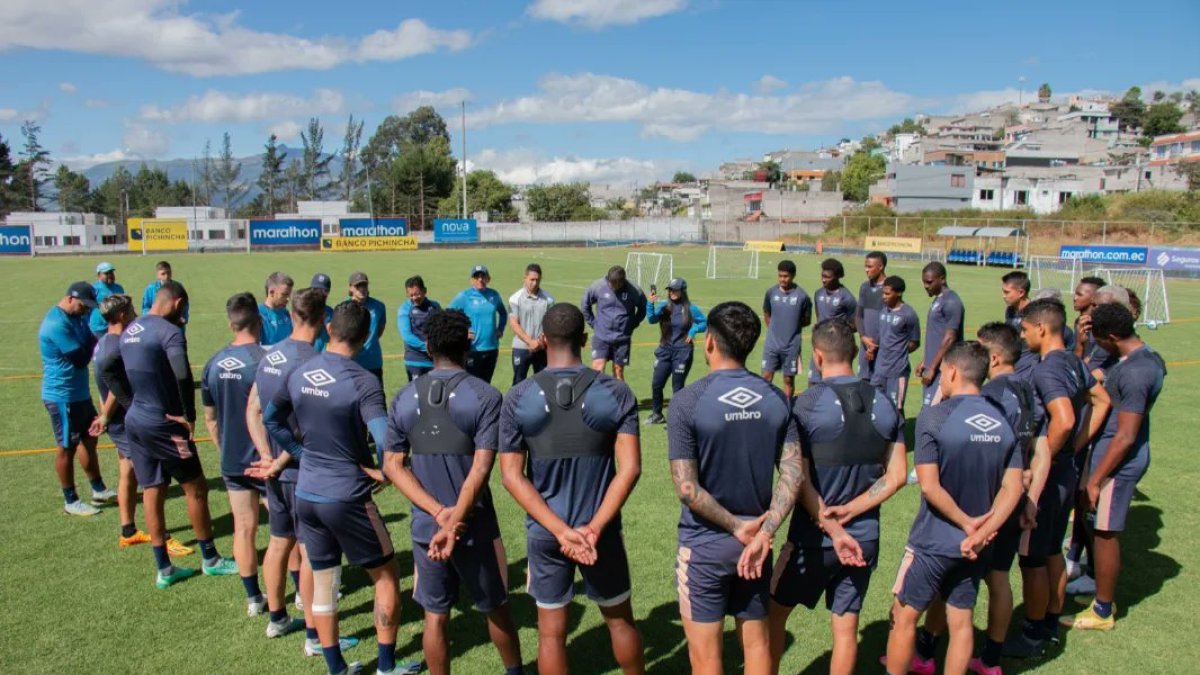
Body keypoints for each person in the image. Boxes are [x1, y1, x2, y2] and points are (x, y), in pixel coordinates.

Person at [262, 302, 421, 675]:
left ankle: (336, 667)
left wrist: (301, 453)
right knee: (386, 576)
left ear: (329, 328)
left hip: (307, 492)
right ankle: (385, 666)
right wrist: (385, 472)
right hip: (346, 495)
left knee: (324, 580)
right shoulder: (363, 381)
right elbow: (384, 440)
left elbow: (271, 418)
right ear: (366, 338)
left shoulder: (300, 371)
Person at [500, 303, 645, 675]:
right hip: (602, 534)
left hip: (547, 535)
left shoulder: (518, 396)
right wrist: (593, 529)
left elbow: (512, 477)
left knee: (551, 636)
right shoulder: (616, 392)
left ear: (544, 340)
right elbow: (629, 469)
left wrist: (561, 531)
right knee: (620, 621)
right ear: (585, 339)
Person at [383, 309, 525, 675]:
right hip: (474, 524)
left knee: (436, 615)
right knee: (496, 606)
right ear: (468, 343)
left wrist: (438, 515)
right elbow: (481, 467)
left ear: (427, 346)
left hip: (427, 527)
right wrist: (456, 517)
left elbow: (393, 466)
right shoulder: (486, 396)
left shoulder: (403, 397)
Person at [668, 300, 805, 675]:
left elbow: (686, 487)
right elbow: (793, 475)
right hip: (758, 547)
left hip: (705, 546)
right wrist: (764, 531)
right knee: (757, 645)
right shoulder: (777, 399)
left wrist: (734, 526)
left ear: (709, 341)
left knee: (707, 658)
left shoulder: (687, 401)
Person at [769, 318, 906, 675]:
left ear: (816, 356)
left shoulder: (804, 404)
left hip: (812, 540)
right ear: (855, 351)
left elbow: (793, 476)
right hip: (864, 539)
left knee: (772, 615)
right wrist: (854, 509)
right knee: (846, 630)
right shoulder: (887, 403)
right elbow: (897, 476)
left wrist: (830, 522)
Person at [884, 343, 1023, 675]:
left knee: (903, 618)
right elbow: (1014, 486)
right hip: (975, 549)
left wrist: (967, 523)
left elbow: (930, 485)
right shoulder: (1003, 420)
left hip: (932, 542)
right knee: (961, 622)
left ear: (952, 372)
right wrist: (983, 532)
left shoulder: (936, 416)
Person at [916, 323, 1040, 675]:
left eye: (980, 350)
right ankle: (990, 659)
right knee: (998, 577)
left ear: (993, 358)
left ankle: (926, 652)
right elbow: (1035, 446)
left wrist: (978, 526)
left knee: (954, 583)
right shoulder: (1026, 388)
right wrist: (1030, 493)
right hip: (1008, 502)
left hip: (982, 505)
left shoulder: (992, 395)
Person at [101, 281, 239, 588]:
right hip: (164, 422)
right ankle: (211, 559)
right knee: (196, 488)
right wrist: (188, 416)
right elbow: (181, 372)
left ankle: (164, 568)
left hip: (136, 421)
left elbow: (105, 366)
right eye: (184, 308)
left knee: (153, 488)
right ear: (177, 303)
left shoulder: (130, 330)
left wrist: (128, 402)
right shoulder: (169, 332)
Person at [246, 288, 358, 651]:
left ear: (292, 315)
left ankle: (277, 618)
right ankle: (314, 635)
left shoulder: (268, 355)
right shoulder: (315, 361)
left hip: (275, 471)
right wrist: (283, 459)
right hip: (302, 471)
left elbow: (256, 410)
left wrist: (266, 456)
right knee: (312, 555)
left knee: (278, 543)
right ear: (325, 321)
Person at [1004, 298, 1108, 659]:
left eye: (1026, 328)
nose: (1022, 334)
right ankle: (1049, 621)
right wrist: (1075, 449)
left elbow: (1062, 419)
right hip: (1067, 470)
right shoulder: (1076, 362)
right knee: (1051, 550)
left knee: (1031, 555)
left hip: (1049, 476)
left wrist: (1044, 456)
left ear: (1042, 329)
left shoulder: (1048, 368)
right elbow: (1102, 400)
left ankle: (1033, 635)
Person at [1061, 303, 1165, 632]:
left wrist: (1097, 479)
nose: (1098, 345)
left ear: (1113, 336)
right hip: (1105, 456)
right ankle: (1097, 589)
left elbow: (1125, 435)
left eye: (1100, 339)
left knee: (1106, 533)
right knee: (1096, 525)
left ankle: (1103, 610)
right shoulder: (1140, 358)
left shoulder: (1137, 372)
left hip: (1118, 465)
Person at [89, 294, 193, 557]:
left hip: (121, 420)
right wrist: (110, 413)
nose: (135, 313)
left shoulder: (103, 343)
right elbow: (114, 384)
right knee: (151, 481)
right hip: (128, 421)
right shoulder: (118, 346)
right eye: (131, 310)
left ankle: (128, 530)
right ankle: (162, 537)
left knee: (127, 473)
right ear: (122, 315)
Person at [202, 292, 269, 615]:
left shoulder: (213, 363)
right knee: (287, 530)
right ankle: (299, 592)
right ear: (258, 319)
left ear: (231, 323)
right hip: (265, 460)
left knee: (244, 528)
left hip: (232, 461)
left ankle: (253, 598)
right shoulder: (265, 360)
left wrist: (225, 450)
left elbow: (210, 418)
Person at [40, 281, 113, 516]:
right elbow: (81, 358)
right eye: (84, 306)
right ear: (70, 298)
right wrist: (95, 336)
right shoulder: (55, 324)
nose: (87, 311)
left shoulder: (76, 316)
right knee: (66, 447)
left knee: (89, 439)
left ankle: (98, 488)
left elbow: (88, 343)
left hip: (79, 392)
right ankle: (70, 500)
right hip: (61, 396)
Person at [644, 277, 706, 425]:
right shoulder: (664, 306)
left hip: (682, 352)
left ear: (683, 291)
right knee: (657, 383)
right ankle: (657, 414)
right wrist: (650, 304)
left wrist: (693, 331)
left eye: (675, 290)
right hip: (665, 350)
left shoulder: (691, 308)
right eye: (670, 290)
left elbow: (704, 322)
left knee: (677, 387)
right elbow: (651, 319)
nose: (672, 292)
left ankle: (677, 419)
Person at [581, 265, 647, 382]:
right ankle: (597, 398)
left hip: (622, 339)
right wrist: (594, 324)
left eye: (616, 284)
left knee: (618, 371)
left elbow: (643, 308)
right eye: (611, 283)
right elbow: (585, 305)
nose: (612, 286)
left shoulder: (634, 290)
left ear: (622, 282)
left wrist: (631, 324)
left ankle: (618, 399)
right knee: (598, 368)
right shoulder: (598, 286)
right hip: (601, 337)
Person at [761, 260, 813, 399]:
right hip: (771, 345)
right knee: (766, 377)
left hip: (791, 346)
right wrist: (774, 329)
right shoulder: (771, 292)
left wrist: (790, 327)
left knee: (788, 380)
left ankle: (787, 409)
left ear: (793, 275)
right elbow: (766, 313)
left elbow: (806, 320)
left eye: (786, 276)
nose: (782, 279)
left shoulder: (803, 296)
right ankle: (765, 408)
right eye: (780, 276)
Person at [449, 265, 508, 384]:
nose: (480, 279)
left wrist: (500, 329)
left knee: (486, 384)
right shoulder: (464, 296)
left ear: (488, 278)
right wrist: (462, 332)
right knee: (471, 385)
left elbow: (503, 313)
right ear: (472, 280)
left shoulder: (494, 295)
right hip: (472, 349)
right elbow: (448, 316)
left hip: (492, 348)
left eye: (483, 276)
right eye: (477, 277)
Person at [870, 276, 920, 417]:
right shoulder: (883, 310)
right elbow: (881, 334)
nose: (884, 297)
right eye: (883, 293)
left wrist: (899, 352)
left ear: (898, 293)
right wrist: (873, 348)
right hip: (879, 369)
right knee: (875, 404)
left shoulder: (909, 314)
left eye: (887, 293)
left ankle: (899, 439)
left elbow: (915, 342)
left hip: (897, 371)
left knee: (896, 410)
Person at [918, 262, 964, 409]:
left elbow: (950, 338)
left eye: (929, 282)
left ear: (942, 279)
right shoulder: (939, 299)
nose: (926, 286)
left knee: (932, 413)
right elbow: (936, 334)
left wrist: (932, 368)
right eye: (924, 282)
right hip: (932, 365)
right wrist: (925, 361)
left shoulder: (951, 302)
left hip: (942, 370)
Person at [808, 258, 857, 383]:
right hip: (820, 343)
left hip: (835, 347)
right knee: (813, 382)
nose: (823, 279)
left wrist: (837, 329)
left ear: (837, 277)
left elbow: (856, 324)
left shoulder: (847, 298)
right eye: (822, 276)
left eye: (827, 277)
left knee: (833, 383)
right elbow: (819, 316)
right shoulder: (818, 293)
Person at [508, 263, 554, 386]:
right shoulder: (515, 298)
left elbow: (551, 323)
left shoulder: (548, 299)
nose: (534, 283)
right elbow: (514, 323)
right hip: (521, 347)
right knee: (518, 383)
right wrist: (530, 341)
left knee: (544, 384)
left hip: (541, 348)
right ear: (525, 278)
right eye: (532, 279)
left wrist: (539, 342)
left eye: (537, 280)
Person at [344, 272, 387, 385]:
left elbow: (379, 330)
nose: (362, 289)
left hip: (373, 362)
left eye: (364, 285)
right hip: (352, 362)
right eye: (358, 286)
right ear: (351, 288)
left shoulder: (379, 307)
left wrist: (370, 341)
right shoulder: (344, 307)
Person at [397, 275, 441, 381]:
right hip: (414, 362)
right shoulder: (405, 309)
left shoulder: (435, 306)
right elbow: (407, 335)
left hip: (434, 361)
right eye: (411, 295)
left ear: (424, 290)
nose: (414, 298)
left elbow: (442, 329)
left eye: (417, 294)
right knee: (417, 396)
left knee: (436, 395)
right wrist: (427, 347)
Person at [856, 251, 888, 381]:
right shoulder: (864, 287)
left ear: (880, 267)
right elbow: (858, 315)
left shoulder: (889, 288)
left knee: (879, 388)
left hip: (881, 348)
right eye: (866, 266)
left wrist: (875, 345)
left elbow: (887, 320)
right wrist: (863, 337)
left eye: (870, 267)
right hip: (865, 346)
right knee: (863, 384)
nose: (866, 270)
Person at [1000, 270, 1037, 379]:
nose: (1003, 296)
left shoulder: (1034, 313)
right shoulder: (1010, 310)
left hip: (1028, 367)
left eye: (1007, 292)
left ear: (1021, 293)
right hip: (1012, 362)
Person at [140, 260, 189, 329]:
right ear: (158, 275)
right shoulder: (151, 289)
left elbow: (185, 304)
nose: (166, 276)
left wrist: (184, 318)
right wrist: (153, 317)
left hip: (176, 326)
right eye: (163, 274)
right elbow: (145, 307)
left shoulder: (178, 286)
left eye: (168, 273)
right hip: (157, 326)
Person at [259, 272, 295, 346]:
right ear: (271, 292)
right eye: (284, 294)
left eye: (289, 295)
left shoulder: (286, 314)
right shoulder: (257, 314)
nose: (288, 299)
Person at [89, 262, 124, 337]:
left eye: (111, 272)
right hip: (98, 328)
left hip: (115, 326)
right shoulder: (94, 289)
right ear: (99, 275)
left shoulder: (119, 288)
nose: (110, 275)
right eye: (106, 273)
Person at [311, 273, 335, 353]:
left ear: (328, 293)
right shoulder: (304, 309)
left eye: (324, 291)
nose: (319, 293)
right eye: (316, 290)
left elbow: (333, 333)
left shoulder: (330, 312)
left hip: (324, 358)